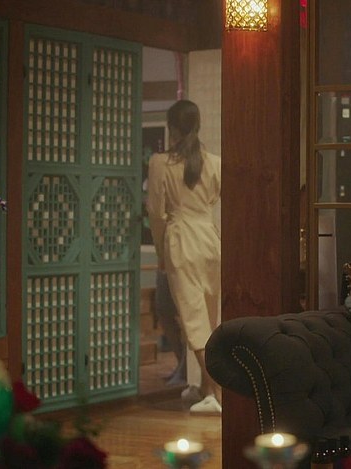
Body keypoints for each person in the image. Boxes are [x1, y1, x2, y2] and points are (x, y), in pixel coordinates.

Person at [147, 99, 222, 414]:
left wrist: (161, 252)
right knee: (209, 318)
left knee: (194, 321)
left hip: (181, 240)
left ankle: (216, 393)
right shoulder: (214, 162)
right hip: (210, 240)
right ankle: (206, 389)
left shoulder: (160, 163)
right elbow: (216, 198)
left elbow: (156, 213)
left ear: (172, 128)